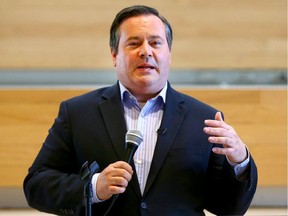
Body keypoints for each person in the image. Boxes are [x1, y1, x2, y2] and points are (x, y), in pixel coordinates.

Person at [23, 5, 257, 216]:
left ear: (169, 55)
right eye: (134, 43)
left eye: (155, 43)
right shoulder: (77, 113)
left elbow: (230, 208)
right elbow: (36, 185)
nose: (146, 51)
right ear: (114, 55)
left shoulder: (204, 119)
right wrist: (94, 187)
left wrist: (240, 161)